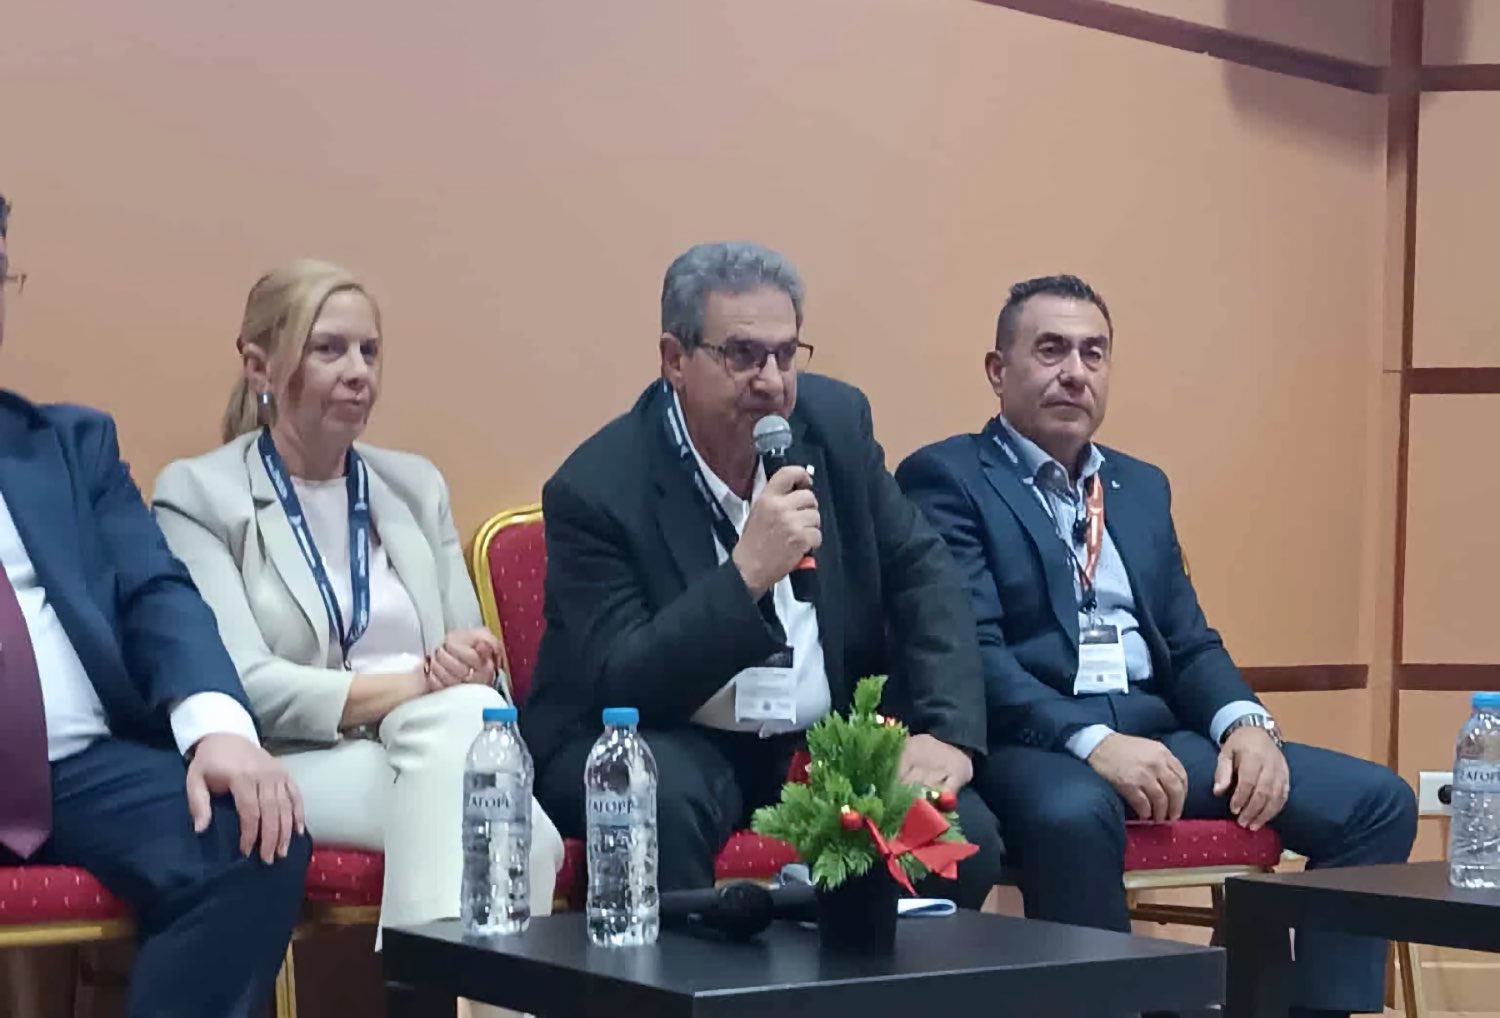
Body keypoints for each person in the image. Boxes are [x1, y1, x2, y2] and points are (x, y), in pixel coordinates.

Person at [896, 274, 1416, 1018]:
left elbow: (1189, 642)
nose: (1075, 371)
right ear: (998, 370)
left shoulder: (1139, 487)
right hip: (1030, 741)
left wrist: (1246, 725)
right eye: (1051, 350)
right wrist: (1094, 742)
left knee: (1374, 803)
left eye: (1093, 353)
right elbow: (973, 654)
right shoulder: (946, 477)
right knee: (1074, 814)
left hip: (1156, 733)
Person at [524, 241, 1002, 907]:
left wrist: (948, 734)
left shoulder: (834, 426)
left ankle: (866, 974)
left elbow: (923, 573)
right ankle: (689, 977)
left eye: (786, 354)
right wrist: (745, 576)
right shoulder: (598, 487)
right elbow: (621, 680)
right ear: (674, 359)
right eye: (743, 355)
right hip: (663, 738)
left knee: (957, 830)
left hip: (815, 743)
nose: (772, 382)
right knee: (654, 798)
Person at [150, 260, 563, 964]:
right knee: (524, 832)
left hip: (435, 743)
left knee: (482, 772)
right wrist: (418, 683)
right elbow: (241, 682)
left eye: (369, 351)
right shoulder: (200, 496)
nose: (358, 372)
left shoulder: (414, 487)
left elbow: (481, 673)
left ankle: (433, 996)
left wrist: (469, 667)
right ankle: (447, 996)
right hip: (294, 760)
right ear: (259, 366)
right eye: (329, 349)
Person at [0, 199, 310, 1017]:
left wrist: (219, 730)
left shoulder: (67, 447)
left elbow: (154, 591)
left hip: (74, 770)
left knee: (250, 836)